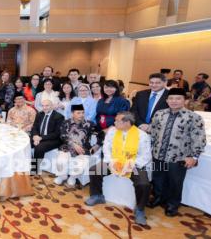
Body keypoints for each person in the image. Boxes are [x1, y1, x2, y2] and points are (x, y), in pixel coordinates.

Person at [85, 111, 151, 226]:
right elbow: (106, 148)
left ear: (127, 122)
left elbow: (145, 156)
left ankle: (140, 209)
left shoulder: (142, 135)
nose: (114, 122)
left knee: (143, 184)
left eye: (117, 121)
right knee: (95, 169)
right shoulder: (112, 132)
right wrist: (111, 162)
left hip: (133, 164)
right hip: (114, 162)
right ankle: (97, 195)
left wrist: (129, 166)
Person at [149, 88, 206, 217]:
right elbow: (153, 131)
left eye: (178, 98)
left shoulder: (193, 117)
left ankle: (173, 204)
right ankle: (158, 198)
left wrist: (194, 157)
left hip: (179, 157)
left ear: (185, 100)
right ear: (167, 100)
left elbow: (199, 138)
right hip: (158, 154)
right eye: (171, 98)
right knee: (158, 179)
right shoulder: (159, 113)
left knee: (175, 182)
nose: (174, 101)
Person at [54, 104, 101, 188]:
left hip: (83, 148)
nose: (81, 115)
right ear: (72, 113)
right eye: (78, 113)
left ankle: (73, 177)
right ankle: (62, 176)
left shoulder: (90, 124)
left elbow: (101, 134)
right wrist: (73, 144)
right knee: (61, 160)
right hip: (67, 147)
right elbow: (63, 136)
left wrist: (96, 146)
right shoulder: (66, 122)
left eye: (83, 112)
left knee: (80, 163)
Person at [30, 99, 64, 175]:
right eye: (43, 106)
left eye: (47, 105)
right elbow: (35, 127)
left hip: (53, 139)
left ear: (52, 106)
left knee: (39, 147)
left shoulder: (59, 117)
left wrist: (41, 138)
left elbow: (57, 133)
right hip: (39, 136)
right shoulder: (39, 114)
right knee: (27, 142)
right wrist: (35, 136)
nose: (44, 108)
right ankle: (27, 163)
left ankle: (34, 168)